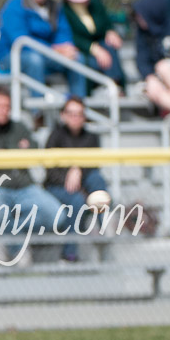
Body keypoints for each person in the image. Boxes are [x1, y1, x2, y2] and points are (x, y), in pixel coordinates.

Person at [0, 85, 68, 265]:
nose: (3, 110)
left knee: (56, 216)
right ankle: (19, 247)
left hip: (22, 186)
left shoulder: (17, 126)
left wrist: (3, 156)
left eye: (7, 106)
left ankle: (5, 234)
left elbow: (35, 150)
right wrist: (16, 152)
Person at [0, 0, 87, 100]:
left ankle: (77, 107)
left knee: (76, 58)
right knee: (34, 60)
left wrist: (65, 47)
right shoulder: (14, 6)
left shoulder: (55, 7)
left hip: (48, 54)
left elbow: (63, 32)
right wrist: (54, 50)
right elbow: (21, 41)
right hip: (14, 56)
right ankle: (38, 112)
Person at [44, 96, 109, 262]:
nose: (75, 118)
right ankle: (69, 253)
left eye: (79, 114)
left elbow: (93, 166)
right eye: (71, 113)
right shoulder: (55, 136)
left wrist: (78, 170)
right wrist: (69, 175)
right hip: (57, 186)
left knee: (98, 182)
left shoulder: (91, 137)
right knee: (77, 201)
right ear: (63, 115)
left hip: (83, 183)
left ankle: (103, 231)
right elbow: (50, 172)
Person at [58, 0, 126, 94]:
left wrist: (110, 31)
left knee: (109, 48)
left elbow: (106, 23)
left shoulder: (95, 3)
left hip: (103, 45)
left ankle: (116, 87)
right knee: (88, 61)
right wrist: (93, 49)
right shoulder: (64, 12)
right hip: (84, 51)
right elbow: (72, 36)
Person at [132, 0, 170, 114]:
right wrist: (149, 77)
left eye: (141, 15)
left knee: (162, 66)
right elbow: (142, 60)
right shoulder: (143, 34)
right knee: (152, 89)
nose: (138, 19)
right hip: (162, 81)